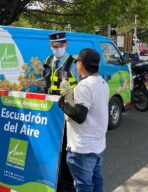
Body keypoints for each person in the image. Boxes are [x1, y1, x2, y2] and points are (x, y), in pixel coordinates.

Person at [58, 48, 109, 192]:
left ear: (81, 63)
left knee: (84, 187)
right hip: (97, 145)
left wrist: (63, 104)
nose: (76, 65)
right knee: (97, 183)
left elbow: (80, 116)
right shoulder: (102, 82)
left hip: (82, 148)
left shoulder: (84, 86)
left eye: (77, 62)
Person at [42, 31, 79, 192]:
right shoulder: (48, 60)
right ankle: (53, 182)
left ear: (66, 45)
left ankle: (67, 185)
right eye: (54, 46)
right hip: (50, 111)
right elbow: (46, 83)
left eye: (60, 46)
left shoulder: (73, 63)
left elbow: (80, 89)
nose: (56, 49)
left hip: (66, 113)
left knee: (66, 151)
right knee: (52, 149)